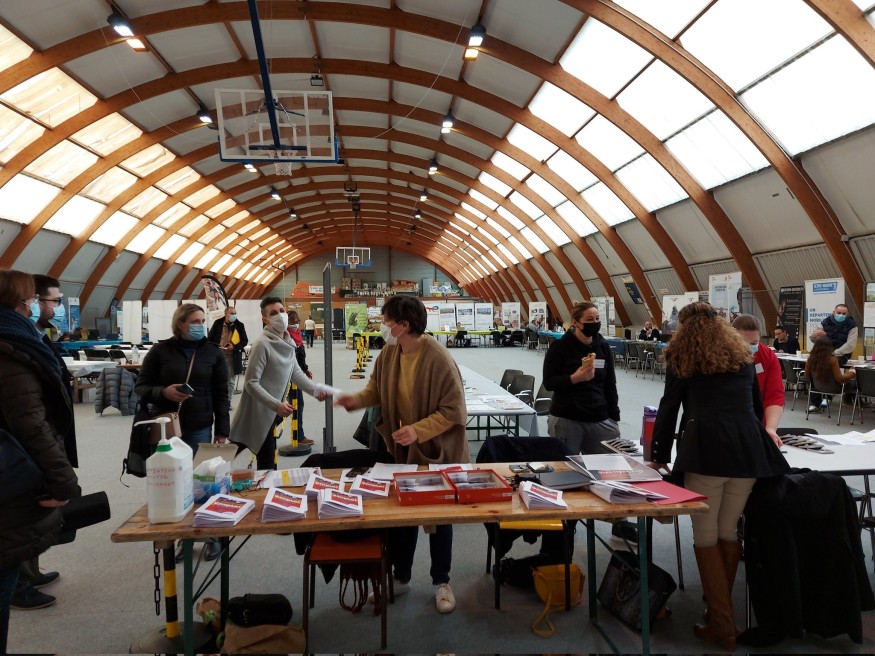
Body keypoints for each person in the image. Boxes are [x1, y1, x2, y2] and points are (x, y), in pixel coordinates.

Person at [647, 302, 788, 651]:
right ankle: (717, 615)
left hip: (706, 452)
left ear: (684, 328)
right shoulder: (742, 357)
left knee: (705, 535)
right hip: (748, 452)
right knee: (728, 530)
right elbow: (755, 406)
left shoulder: (683, 357)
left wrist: (658, 456)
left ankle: (723, 626)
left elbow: (669, 408)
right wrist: (761, 434)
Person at [335, 297, 468, 614]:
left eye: (386, 320)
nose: (382, 325)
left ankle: (442, 582)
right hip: (404, 449)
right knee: (403, 513)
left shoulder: (438, 358)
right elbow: (375, 389)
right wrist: (355, 400)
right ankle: (401, 575)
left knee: (438, 518)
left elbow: (455, 411)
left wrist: (418, 430)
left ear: (403, 325)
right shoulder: (390, 352)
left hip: (437, 451)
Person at [0, 269, 79, 650]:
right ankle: (20, 586)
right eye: (34, 299)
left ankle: (25, 577)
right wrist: (63, 479)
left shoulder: (22, 339)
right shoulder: (12, 348)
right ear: (19, 302)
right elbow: (30, 422)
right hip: (15, 468)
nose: (40, 305)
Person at [135, 304, 230, 561]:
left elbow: (222, 393)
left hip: (200, 424)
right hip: (166, 426)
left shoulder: (213, 352)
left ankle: (210, 535)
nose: (200, 325)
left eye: (202, 320)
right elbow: (141, 386)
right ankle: (182, 537)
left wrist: (222, 429)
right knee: (174, 482)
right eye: (195, 321)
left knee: (202, 482)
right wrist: (163, 392)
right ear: (180, 324)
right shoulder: (160, 351)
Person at [229, 298, 326, 470]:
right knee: (222, 460)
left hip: (271, 414)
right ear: (265, 320)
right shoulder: (262, 344)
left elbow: (296, 373)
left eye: (282, 311)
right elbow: (251, 383)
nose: (280, 316)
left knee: (266, 466)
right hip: (255, 414)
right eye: (273, 313)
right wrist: (277, 405)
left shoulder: (288, 342)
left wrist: (318, 391)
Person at [543, 301, 620, 455]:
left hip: (599, 417)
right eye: (590, 319)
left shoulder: (603, 347)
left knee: (606, 465)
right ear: (576, 322)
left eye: (597, 319)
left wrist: (614, 417)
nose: (595, 323)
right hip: (567, 417)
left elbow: (610, 384)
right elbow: (549, 382)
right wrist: (574, 378)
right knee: (565, 467)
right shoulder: (560, 347)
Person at [732, 315, 784, 447]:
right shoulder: (721, 357)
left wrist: (770, 428)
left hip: (758, 423)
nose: (748, 347)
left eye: (753, 343)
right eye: (743, 343)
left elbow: (774, 396)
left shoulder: (767, 356)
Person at [809, 303, 857, 409]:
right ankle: (815, 402)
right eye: (839, 313)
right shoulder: (824, 322)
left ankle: (828, 396)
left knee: (828, 366)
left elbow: (850, 345)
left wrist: (834, 353)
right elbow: (812, 339)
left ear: (847, 314)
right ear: (833, 312)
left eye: (844, 314)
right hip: (823, 353)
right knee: (815, 367)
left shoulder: (852, 325)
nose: (841, 315)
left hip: (841, 354)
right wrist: (816, 335)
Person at [804, 336, 856, 413]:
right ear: (829, 347)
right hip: (834, 389)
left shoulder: (810, 359)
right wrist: (852, 373)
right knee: (855, 383)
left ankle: (818, 404)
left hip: (817, 388)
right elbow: (839, 379)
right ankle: (854, 403)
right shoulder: (832, 360)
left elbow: (806, 376)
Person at [286, 309, 314, 447]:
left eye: (296, 322)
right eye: (292, 322)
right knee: (295, 405)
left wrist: (305, 369)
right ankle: (299, 436)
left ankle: (299, 435)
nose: (295, 325)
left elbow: (300, 355)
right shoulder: (285, 336)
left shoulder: (297, 334)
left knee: (295, 405)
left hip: (298, 374)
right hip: (289, 377)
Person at [208, 305, 248, 401]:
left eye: (235, 313)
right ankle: (218, 400)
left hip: (232, 357)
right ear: (226, 314)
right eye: (232, 313)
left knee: (230, 382)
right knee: (217, 379)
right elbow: (210, 339)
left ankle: (228, 402)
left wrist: (234, 347)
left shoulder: (239, 325)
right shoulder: (218, 323)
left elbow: (244, 341)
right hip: (218, 356)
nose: (234, 315)